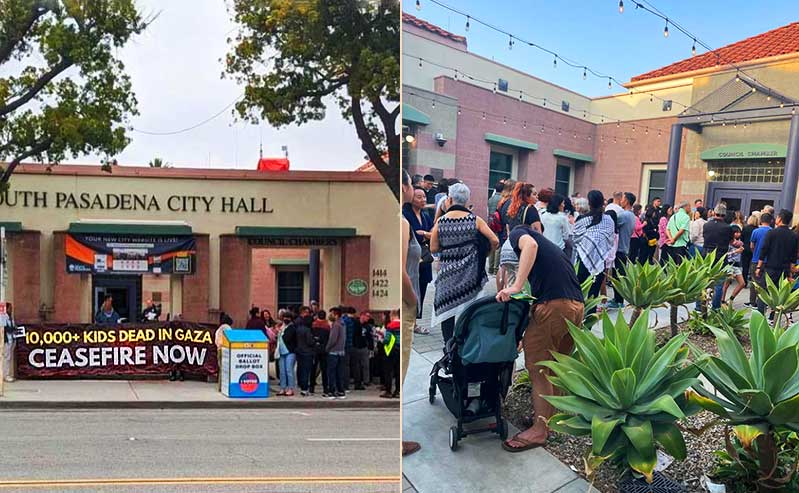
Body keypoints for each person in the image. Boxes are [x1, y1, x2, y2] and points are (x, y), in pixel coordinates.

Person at [496, 215, 584, 452]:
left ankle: (539, 431)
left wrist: (514, 286)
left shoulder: (520, 236)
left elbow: (530, 246)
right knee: (553, 367)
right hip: (577, 307)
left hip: (554, 306)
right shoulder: (551, 248)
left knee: (538, 369)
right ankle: (547, 421)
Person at [430, 182, 499, 343]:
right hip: (471, 272)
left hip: (447, 273)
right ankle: (465, 342)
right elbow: (494, 240)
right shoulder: (475, 220)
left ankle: (448, 345)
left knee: (448, 311)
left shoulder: (441, 222)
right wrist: (483, 253)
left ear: (450, 199)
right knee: (469, 308)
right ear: (467, 200)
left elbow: (433, 248)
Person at [401, 169, 422, 457]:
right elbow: (399, 268)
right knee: (401, 371)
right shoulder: (402, 222)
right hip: (404, 304)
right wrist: (413, 299)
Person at [573, 190, 615, 302]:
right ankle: (591, 316)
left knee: (579, 292)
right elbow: (610, 239)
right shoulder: (608, 220)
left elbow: (575, 238)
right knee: (593, 295)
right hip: (600, 261)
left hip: (583, 261)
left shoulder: (582, 219)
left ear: (589, 203)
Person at [755, 209, 798, 316]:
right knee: (779, 293)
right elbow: (794, 255)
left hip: (771, 267)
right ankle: (773, 316)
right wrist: (791, 271)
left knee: (764, 291)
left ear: (779, 218)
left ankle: (760, 314)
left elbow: (764, 250)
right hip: (784, 269)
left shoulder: (772, 233)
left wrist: (759, 267)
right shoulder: (793, 236)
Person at [402, 187, 433, 335]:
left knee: (422, 288)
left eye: (424, 197)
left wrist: (426, 234)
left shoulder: (426, 216)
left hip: (424, 256)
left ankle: (415, 321)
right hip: (411, 256)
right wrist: (426, 236)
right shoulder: (405, 215)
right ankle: (409, 321)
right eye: (419, 197)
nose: (423, 200)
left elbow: (433, 233)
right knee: (411, 286)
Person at [607, 192, 636, 309]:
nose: (620, 201)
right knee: (619, 275)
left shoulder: (624, 216)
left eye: (623, 199)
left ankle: (618, 301)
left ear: (627, 201)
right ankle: (617, 299)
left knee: (617, 276)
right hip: (625, 248)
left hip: (619, 248)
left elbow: (611, 223)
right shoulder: (632, 215)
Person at [703, 204, 733, 310]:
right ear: (724, 215)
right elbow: (731, 241)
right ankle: (716, 307)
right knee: (719, 284)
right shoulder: (727, 228)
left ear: (714, 213)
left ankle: (699, 306)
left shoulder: (706, 225)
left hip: (706, 255)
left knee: (703, 282)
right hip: (720, 256)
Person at [748, 213, 772, 307]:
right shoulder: (772, 231)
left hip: (755, 259)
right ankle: (763, 302)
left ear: (761, 221)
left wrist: (755, 252)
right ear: (771, 221)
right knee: (765, 283)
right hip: (768, 261)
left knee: (754, 282)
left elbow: (751, 245)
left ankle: (752, 302)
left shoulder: (756, 231)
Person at [294, 306, 317, 396]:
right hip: (307, 352)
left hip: (300, 351)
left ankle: (302, 386)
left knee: (301, 369)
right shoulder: (307, 330)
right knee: (306, 371)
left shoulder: (298, 328)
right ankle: (304, 389)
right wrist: (315, 341)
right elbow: (310, 342)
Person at [326, 307, 347, 400]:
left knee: (331, 372)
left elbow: (332, 339)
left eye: (331, 313)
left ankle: (331, 391)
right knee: (339, 372)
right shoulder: (343, 324)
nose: (330, 315)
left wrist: (327, 348)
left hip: (333, 351)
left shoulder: (336, 325)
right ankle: (341, 391)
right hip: (341, 351)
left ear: (336, 314)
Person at [722, 225, 746, 304]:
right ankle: (722, 301)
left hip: (737, 264)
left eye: (739, 232)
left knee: (742, 283)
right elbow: (726, 254)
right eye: (736, 232)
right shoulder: (727, 242)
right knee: (726, 283)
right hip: (729, 264)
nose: (738, 234)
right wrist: (735, 251)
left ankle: (731, 299)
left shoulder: (739, 242)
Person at [275, 310, 297, 397]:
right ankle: (282, 388)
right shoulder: (282, 327)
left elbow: (286, 338)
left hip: (290, 352)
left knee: (289, 370)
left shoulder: (292, 328)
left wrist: (280, 331)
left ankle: (290, 389)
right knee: (282, 371)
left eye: (288, 317)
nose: (286, 319)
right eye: (284, 317)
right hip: (281, 352)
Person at [351, 311, 374, 390]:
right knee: (356, 366)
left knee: (365, 365)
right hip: (355, 346)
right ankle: (357, 381)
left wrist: (371, 348)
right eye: (367, 316)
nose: (368, 318)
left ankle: (366, 380)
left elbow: (369, 337)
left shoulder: (367, 326)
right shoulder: (355, 324)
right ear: (362, 316)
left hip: (364, 347)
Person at [487, 180, 506, 275]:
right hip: (499, 224)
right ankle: (495, 269)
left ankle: (490, 267)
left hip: (490, 223)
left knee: (492, 245)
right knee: (498, 246)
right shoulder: (502, 200)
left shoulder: (491, 199)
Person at [310, 310, 330, 396]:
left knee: (313, 369)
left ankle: (311, 388)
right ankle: (325, 388)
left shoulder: (313, 324)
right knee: (324, 370)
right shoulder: (327, 326)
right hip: (324, 350)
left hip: (315, 350)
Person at [382, 309, 401, 400]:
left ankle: (388, 391)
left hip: (391, 350)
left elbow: (387, 339)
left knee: (388, 371)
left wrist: (383, 343)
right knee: (398, 372)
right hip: (400, 350)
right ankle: (398, 391)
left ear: (392, 316)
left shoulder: (391, 325)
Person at [742, 212, 760, 288]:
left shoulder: (745, 228)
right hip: (754, 249)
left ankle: (744, 282)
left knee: (745, 266)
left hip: (745, 248)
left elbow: (742, 238)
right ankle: (753, 282)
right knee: (752, 266)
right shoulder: (757, 229)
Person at [2, 303, 16, 382]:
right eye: (10, 308)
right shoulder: (3, 318)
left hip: (12, 340)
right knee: (6, 357)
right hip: (6, 340)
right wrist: (12, 329)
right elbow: (5, 329)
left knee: (9, 357)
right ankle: (5, 375)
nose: (11, 310)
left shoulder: (11, 318)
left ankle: (7, 373)